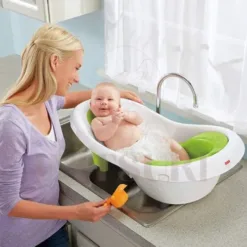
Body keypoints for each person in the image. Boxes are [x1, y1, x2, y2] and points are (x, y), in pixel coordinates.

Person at [0, 24, 142, 247]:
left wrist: (114, 94)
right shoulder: (11, 126)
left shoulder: (45, 100)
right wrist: (76, 211)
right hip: (21, 238)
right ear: (55, 62)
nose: (77, 77)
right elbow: (9, 204)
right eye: (76, 68)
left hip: (52, 226)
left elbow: (70, 99)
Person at [90, 82, 190, 163]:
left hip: (144, 140)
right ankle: (170, 171)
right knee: (147, 163)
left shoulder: (123, 112)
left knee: (168, 141)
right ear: (91, 105)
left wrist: (128, 115)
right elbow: (101, 136)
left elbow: (139, 120)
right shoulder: (98, 121)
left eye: (110, 99)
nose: (104, 102)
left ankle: (186, 162)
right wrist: (114, 123)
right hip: (129, 152)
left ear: (119, 105)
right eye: (99, 99)